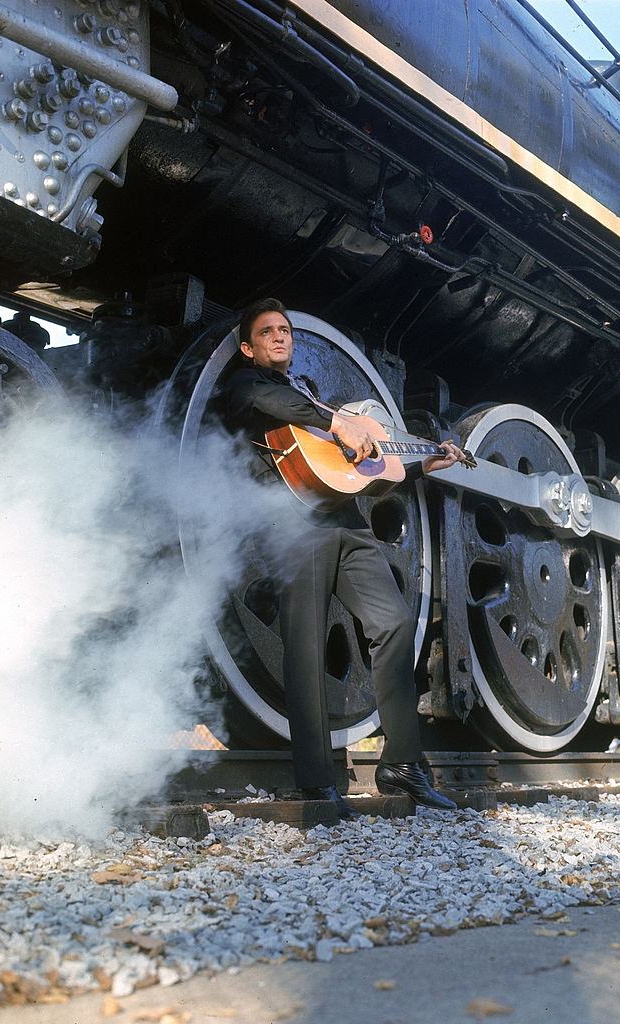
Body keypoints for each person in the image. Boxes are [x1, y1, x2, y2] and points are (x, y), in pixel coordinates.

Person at [223, 298, 463, 816]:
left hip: (346, 523)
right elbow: (281, 407)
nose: (280, 337)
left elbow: (366, 472)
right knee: (304, 646)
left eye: (285, 330)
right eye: (267, 332)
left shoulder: (309, 396)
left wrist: (426, 466)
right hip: (294, 526)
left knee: (395, 622)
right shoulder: (248, 388)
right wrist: (338, 425)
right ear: (249, 347)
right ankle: (317, 781)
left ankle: (402, 763)